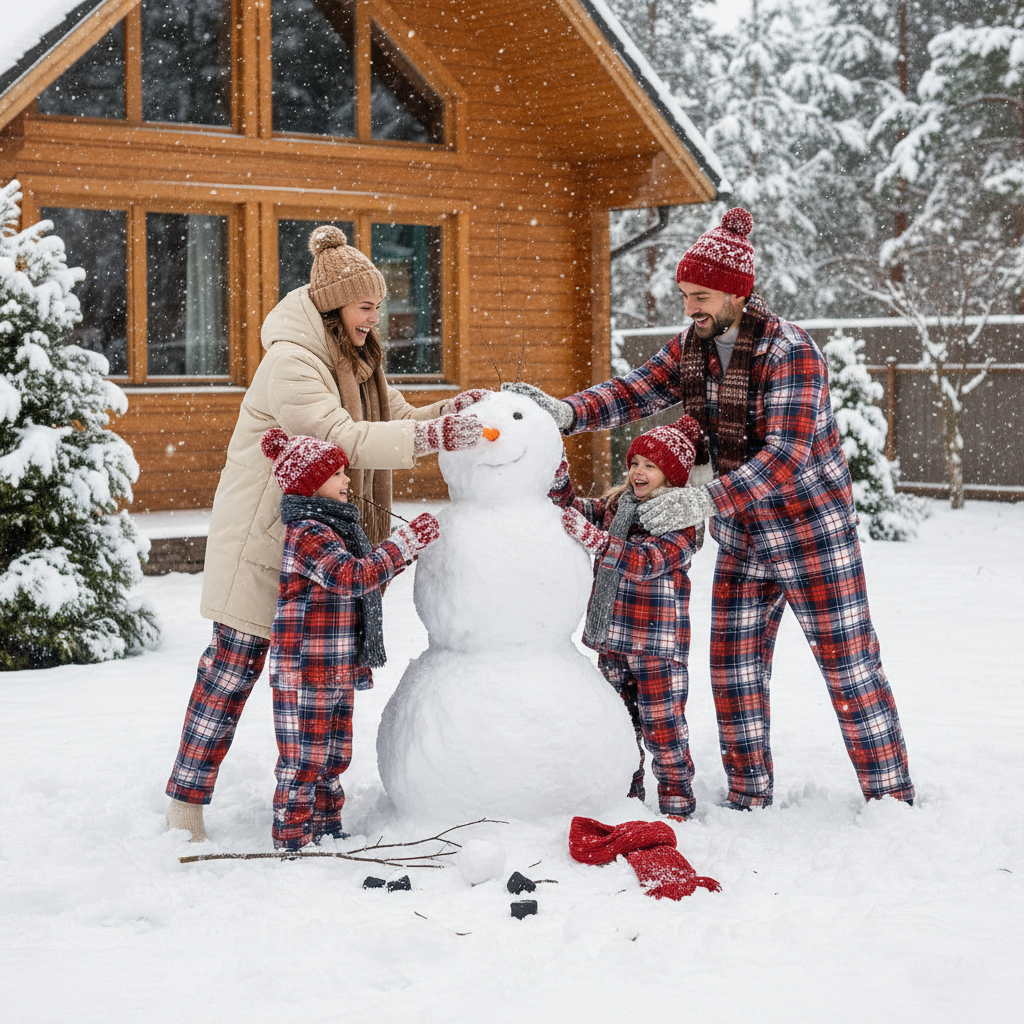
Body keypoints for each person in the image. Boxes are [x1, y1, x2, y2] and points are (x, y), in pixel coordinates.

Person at [508, 207, 915, 810]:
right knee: (735, 674)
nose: (690, 308)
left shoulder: (790, 352)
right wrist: (568, 413)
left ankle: (892, 801)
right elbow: (634, 391)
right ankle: (750, 800)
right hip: (743, 540)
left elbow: (786, 455)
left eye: (700, 295)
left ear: (736, 291)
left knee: (849, 668)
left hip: (813, 538)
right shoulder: (691, 348)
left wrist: (701, 498)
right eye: (685, 296)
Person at [166, 225, 486, 841]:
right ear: (335, 305)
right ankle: (186, 801)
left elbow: (394, 417)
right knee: (231, 673)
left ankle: (314, 801)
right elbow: (343, 438)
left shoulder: (356, 359)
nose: (376, 316)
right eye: (367, 305)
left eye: (377, 304)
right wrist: (431, 440)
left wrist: (445, 414)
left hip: (321, 544)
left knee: (315, 691)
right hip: (264, 545)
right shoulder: (293, 362)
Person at [259, 428, 439, 850]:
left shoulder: (336, 529)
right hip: (306, 668)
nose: (347, 482)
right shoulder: (307, 532)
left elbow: (365, 580)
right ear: (310, 484)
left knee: (333, 754)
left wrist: (400, 553)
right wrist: (407, 542)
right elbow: (351, 577)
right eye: (338, 474)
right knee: (304, 757)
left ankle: (326, 825)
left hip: (336, 663)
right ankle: (293, 835)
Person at [555, 415, 704, 820]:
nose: (638, 472)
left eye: (650, 466)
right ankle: (625, 800)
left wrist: (599, 543)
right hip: (613, 640)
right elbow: (571, 509)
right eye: (635, 462)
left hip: (657, 645)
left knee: (664, 730)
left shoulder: (682, 521)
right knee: (619, 729)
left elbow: (648, 560)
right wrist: (555, 469)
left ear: (670, 476)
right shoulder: (615, 506)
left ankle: (677, 804)